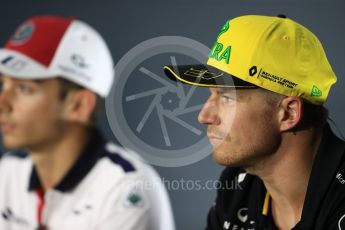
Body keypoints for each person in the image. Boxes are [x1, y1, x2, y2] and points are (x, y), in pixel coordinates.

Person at [163, 14, 345, 229]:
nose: (204, 116)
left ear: (288, 113)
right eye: (210, 95)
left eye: (227, 97)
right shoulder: (239, 187)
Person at [0, 15, 175, 230]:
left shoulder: (126, 191)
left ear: (79, 105)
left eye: (24, 88)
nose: (3, 104)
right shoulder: (8, 170)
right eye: (3, 84)